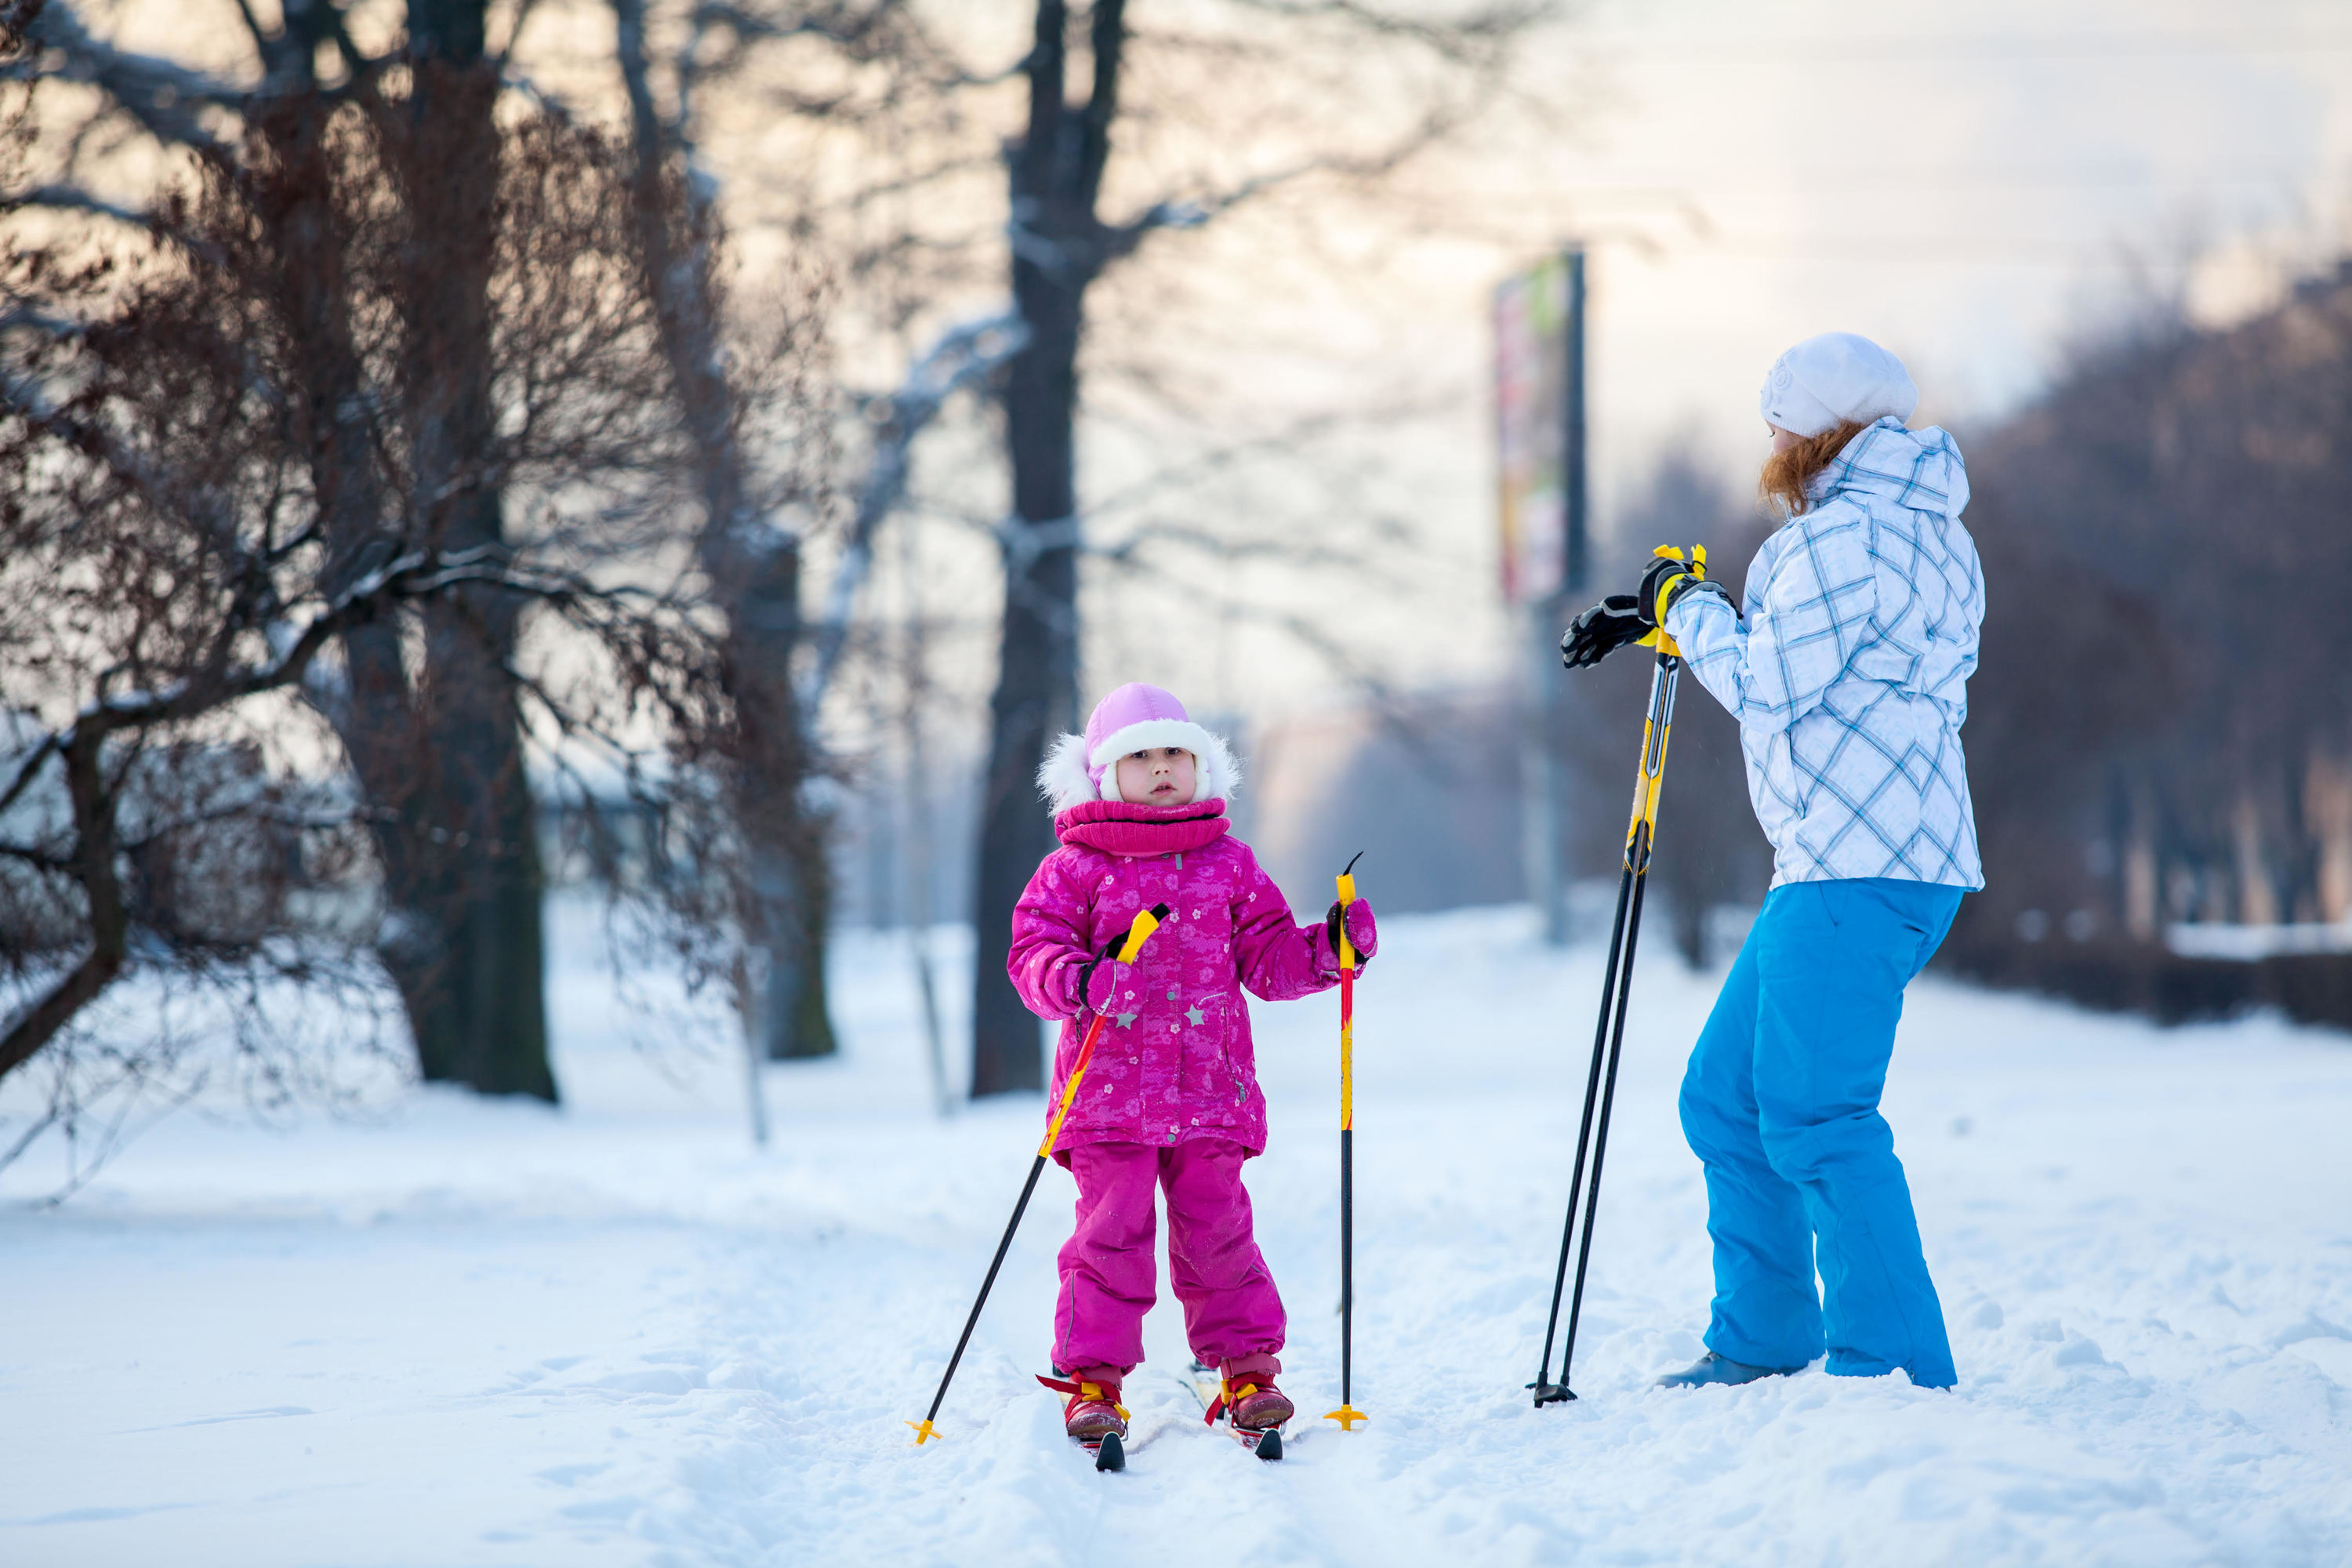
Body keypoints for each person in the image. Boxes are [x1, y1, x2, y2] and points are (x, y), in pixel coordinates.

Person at [1561, 331, 1985, 1391]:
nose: (1771, 445)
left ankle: (1891, 1364)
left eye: (1779, 424)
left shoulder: (1838, 539)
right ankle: (1763, 1337)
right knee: (1726, 1099)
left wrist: (1685, 610)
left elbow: (1771, 684)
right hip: (1870, 856)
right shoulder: (1928, 530)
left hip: (1856, 859)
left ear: (1814, 431)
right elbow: (1821, 667)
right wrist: (1673, 617)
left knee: (1814, 1115)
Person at [1009, 681, 1378, 1443]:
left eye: (1177, 751)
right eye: (1140, 755)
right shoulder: (1073, 868)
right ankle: (1093, 1379)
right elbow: (1032, 957)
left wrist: (1329, 949)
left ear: (1202, 764)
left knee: (1220, 1233)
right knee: (1110, 1236)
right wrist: (1079, 977)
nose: (1163, 767)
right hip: (1106, 1099)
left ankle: (1246, 1369)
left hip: (1212, 1092)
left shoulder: (1228, 864)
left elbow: (1270, 960)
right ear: (1105, 774)